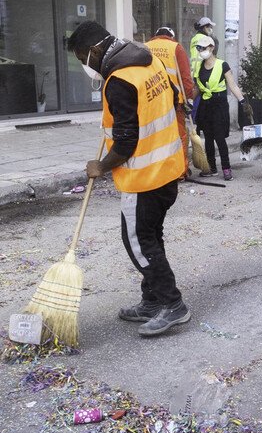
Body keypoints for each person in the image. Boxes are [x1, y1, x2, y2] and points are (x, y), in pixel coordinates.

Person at [66, 20, 191, 338]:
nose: (84, 65)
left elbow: (125, 143)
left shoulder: (119, 80)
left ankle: (172, 304)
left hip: (144, 177)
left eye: (82, 58)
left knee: (137, 241)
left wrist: (101, 166)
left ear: (94, 51)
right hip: (168, 169)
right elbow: (172, 98)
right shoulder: (148, 60)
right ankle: (152, 301)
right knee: (151, 238)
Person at [193, 35, 251, 181]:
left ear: (212, 48)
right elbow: (197, 88)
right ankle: (211, 168)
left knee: (219, 138)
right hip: (205, 106)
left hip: (219, 106)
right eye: (199, 48)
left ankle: (226, 168)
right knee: (208, 139)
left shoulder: (222, 65)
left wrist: (243, 101)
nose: (201, 51)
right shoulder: (199, 66)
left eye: (203, 48)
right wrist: (188, 102)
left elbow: (232, 85)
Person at [146, 26, 196, 178]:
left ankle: (157, 172)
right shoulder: (176, 48)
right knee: (178, 136)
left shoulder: (145, 47)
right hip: (173, 102)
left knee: (154, 137)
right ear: (171, 36)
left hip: (150, 100)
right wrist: (189, 99)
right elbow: (185, 78)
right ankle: (180, 171)